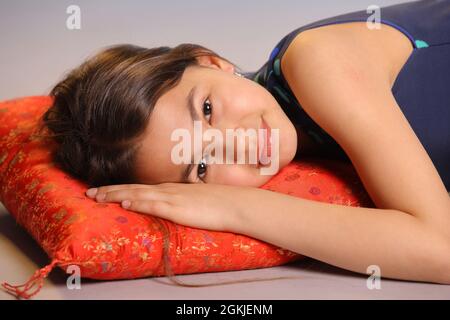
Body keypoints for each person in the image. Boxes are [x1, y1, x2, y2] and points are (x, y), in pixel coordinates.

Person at [39, 0, 450, 285]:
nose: (235, 144)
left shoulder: (317, 61)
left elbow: (442, 248)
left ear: (211, 61)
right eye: (200, 167)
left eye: (206, 110)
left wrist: (237, 207)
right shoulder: (308, 140)